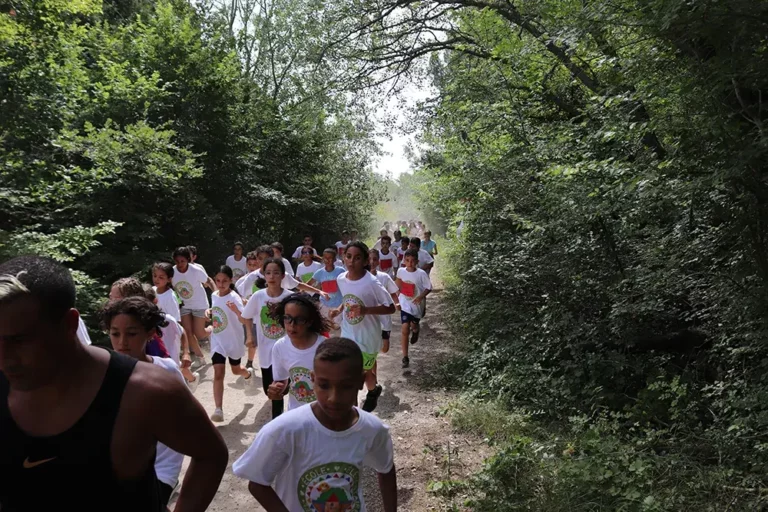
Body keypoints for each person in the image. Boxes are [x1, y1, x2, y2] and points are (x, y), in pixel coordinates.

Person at [0, 256, 228, 511]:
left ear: (69, 324)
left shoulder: (145, 389)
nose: (2, 357)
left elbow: (211, 454)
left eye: (19, 340)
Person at [232, 337, 397, 512]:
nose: (333, 397)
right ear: (312, 380)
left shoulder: (372, 429)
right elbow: (257, 482)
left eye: (346, 386)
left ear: (361, 381)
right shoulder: (284, 430)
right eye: (324, 385)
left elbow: (386, 469)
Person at [100, 296, 186, 507]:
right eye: (115, 334)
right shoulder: (101, 374)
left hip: (162, 469)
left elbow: (188, 418)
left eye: (131, 334)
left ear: (149, 333)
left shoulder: (167, 370)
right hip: (119, 471)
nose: (122, 342)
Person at [330, 241, 395, 413]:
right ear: (343, 258)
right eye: (349, 257)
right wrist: (338, 310)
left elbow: (390, 307)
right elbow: (347, 299)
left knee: (360, 375)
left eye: (357, 258)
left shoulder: (372, 282)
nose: (351, 261)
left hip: (367, 337)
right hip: (348, 333)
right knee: (350, 374)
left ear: (366, 261)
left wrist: (366, 310)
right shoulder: (341, 279)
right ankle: (355, 410)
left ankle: (371, 392)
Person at [240, 258, 294, 419]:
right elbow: (246, 317)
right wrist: (250, 336)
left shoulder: (290, 298)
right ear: (264, 275)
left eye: (276, 273)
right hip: (265, 352)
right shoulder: (258, 296)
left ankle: (279, 423)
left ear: (283, 276)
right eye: (268, 272)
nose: (272, 276)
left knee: (281, 390)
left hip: (287, 351)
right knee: (269, 390)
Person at [207, 266, 254, 422]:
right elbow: (216, 311)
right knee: (218, 373)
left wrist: (236, 310)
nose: (221, 284)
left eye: (224, 281)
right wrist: (209, 312)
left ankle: (247, 374)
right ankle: (218, 409)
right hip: (217, 339)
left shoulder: (234, 298)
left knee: (236, 371)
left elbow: (244, 319)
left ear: (231, 280)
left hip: (233, 340)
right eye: (218, 281)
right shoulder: (214, 295)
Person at [268, 294, 331, 410]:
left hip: (324, 415)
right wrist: (277, 389)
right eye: (287, 318)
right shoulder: (280, 347)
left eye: (299, 320)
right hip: (296, 414)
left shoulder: (326, 347)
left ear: (309, 322)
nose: (292, 325)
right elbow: (282, 380)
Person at [173, 246, 215, 368]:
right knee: (187, 332)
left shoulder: (195, 270)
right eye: (177, 261)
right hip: (185, 305)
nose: (180, 264)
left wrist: (217, 296)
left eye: (182, 261)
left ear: (188, 260)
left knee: (200, 334)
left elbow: (209, 281)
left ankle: (211, 330)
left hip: (199, 303)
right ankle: (200, 357)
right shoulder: (172, 272)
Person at [109, 278, 171, 360]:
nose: (110, 302)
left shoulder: (145, 331)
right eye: (110, 297)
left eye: (115, 299)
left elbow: (158, 361)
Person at [396, 249, 433, 368]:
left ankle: (416, 331)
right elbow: (398, 284)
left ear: (417, 261)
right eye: (407, 260)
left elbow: (428, 287)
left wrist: (421, 297)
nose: (410, 263)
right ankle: (405, 357)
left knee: (413, 325)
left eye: (412, 261)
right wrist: (396, 298)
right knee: (405, 328)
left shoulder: (421, 274)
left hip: (416, 306)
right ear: (404, 261)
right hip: (405, 304)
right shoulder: (401, 271)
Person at [369, 249, 400, 355]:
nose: (372, 262)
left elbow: (393, 292)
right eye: (369, 259)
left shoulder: (384, 277)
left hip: (384, 318)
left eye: (375, 259)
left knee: (384, 348)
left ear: (378, 261)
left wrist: (397, 303)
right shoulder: (361, 278)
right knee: (371, 349)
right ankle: (371, 367)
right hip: (369, 318)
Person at [308, 248, 345, 333]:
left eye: (330, 258)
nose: (327, 260)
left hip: (338, 304)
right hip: (324, 304)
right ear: (322, 258)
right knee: (326, 327)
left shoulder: (340, 271)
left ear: (335, 259)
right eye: (325, 257)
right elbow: (308, 283)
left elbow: (346, 284)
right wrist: (300, 291)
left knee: (337, 327)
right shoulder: (319, 273)